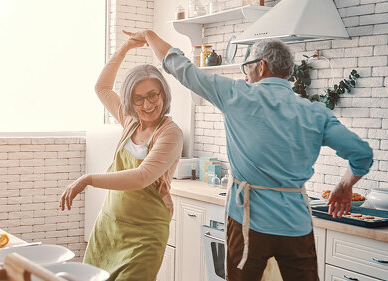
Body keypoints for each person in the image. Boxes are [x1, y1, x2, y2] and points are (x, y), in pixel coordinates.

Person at [123, 30, 373, 281]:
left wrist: (149, 35)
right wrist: (344, 186)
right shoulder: (315, 112)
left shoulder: (236, 95)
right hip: (296, 225)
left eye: (247, 66)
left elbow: (182, 68)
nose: (245, 73)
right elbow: (362, 155)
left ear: (260, 66)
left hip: (247, 223)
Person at [59, 36, 183, 281]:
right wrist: (125, 48)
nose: (147, 104)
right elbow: (102, 88)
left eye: (153, 95)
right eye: (138, 98)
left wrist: (87, 179)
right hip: (110, 227)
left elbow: (141, 177)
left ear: (163, 95)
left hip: (145, 235)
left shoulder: (170, 133)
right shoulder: (130, 121)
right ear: (130, 101)